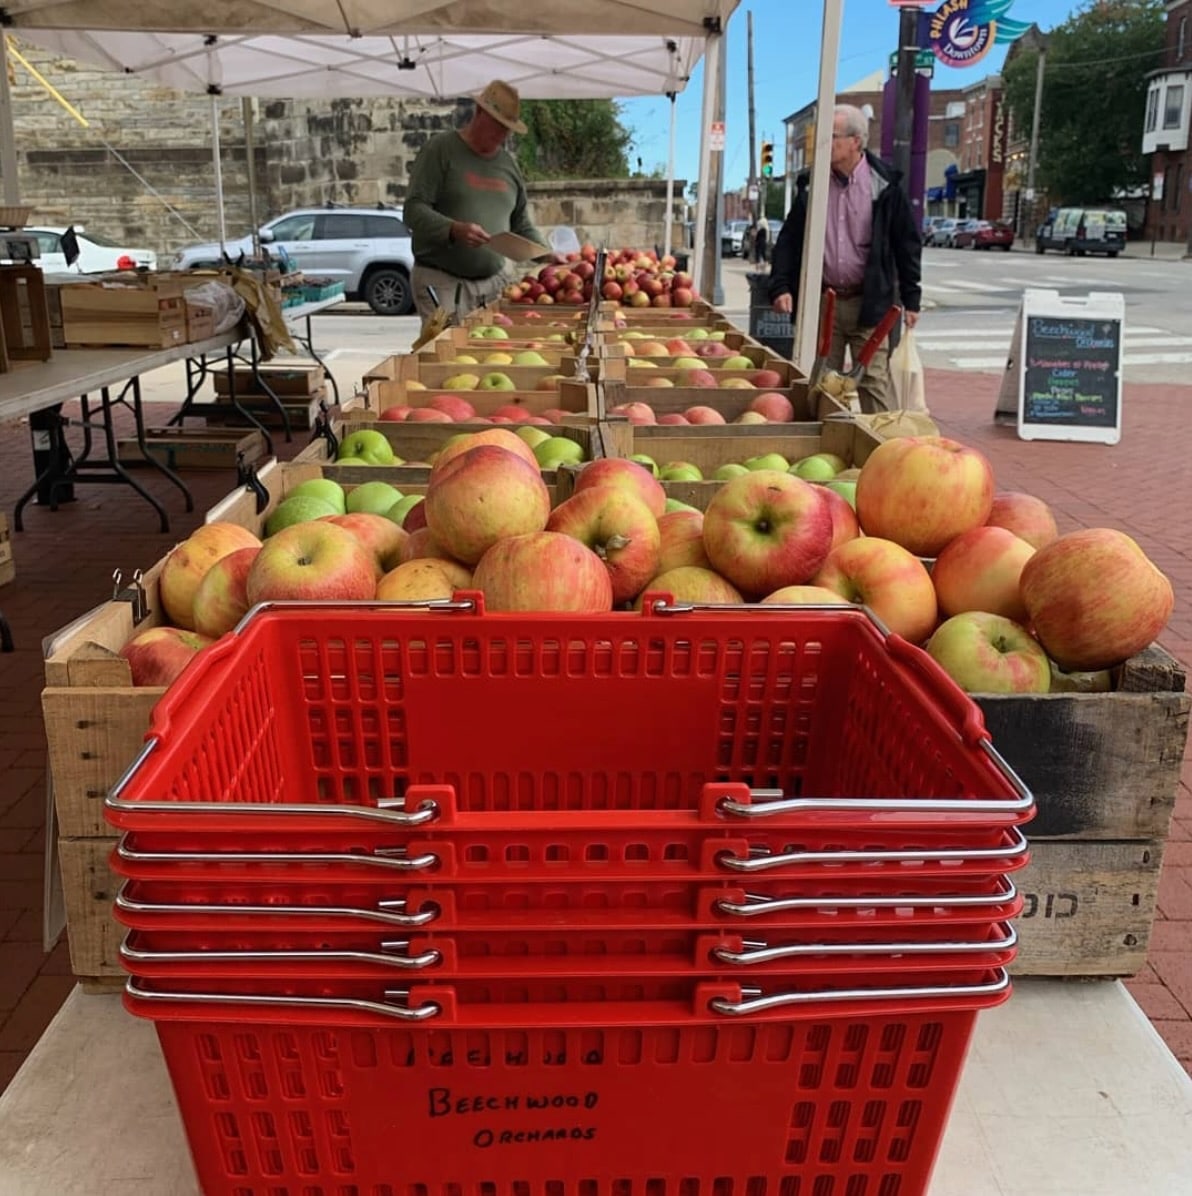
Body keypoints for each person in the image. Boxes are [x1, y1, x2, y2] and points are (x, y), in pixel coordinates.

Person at [768, 104, 922, 413]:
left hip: (870, 300)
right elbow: (789, 240)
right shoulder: (811, 186)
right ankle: (825, 445)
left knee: (874, 382)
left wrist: (911, 297)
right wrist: (781, 285)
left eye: (832, 136)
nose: (825, 143)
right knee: (822, 385)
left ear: (856, 141)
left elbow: (906, 244)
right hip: (826, 302)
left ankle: (879, 450)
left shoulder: (884, 186)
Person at [404, 80, 551, 326]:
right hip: (442, 282)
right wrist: (453, 229)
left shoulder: (508, 164)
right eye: (497, 126)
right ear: (479, 113)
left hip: (493, 284)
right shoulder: (441, 150)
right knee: (446, 358)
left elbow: (521, 223)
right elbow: (413, 211)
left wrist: (547, 255)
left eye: (507, 129)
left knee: (490, 356)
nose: (502, 135)